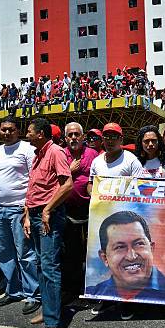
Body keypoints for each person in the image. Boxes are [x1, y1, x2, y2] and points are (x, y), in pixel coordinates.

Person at [0, 117, 40, 315]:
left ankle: (33, 293)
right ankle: (13, 290)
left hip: (19, 208)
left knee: (25, 252)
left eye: (11, 129)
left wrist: (28, 209)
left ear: (18, 131)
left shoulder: (27, 149)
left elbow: (34, 179)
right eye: (3, 129)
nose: (6, 133)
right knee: (3, 252)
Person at [23, 118, 73, 328]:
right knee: (42, 265)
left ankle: (53, 323)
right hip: (34, 215)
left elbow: (67, 185)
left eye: (30, 132)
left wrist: (47, 210)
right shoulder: (37, 155)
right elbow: (34, 188)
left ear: (41, 134)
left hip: (48, 217)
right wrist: (27, 216)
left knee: (50, 267)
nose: (27, 135)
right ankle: (48, 308)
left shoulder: (56, 152)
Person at [87, 122, 143, 319]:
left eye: (114, 136)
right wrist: (98, 196)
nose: (110, 140)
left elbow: (140, 188)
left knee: (126, 260)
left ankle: (127, 302)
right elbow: (90, 185)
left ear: (121, 139)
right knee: (106, 260)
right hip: (101, 217)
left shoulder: (131, 160)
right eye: (106, 136)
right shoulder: (97, 161)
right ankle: (107, 298)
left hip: (125, 218)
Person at [86, 211, 165, 302]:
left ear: (151, 249)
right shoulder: (94, 293)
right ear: (104, 258)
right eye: (120, 247)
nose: (131, 256)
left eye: (139, 244)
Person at [61, 122, 98, 301]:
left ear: (83, 137)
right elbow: (53, 180)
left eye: (77, 134)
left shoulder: (93, 154)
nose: (74, 138)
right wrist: (70, 171)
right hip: (68, 211)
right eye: (70, 135)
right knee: (71, 254)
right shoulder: (61, 154)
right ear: (65, 138)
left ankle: (92, 289)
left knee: (91, 252)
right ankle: (73, 291)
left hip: (90, 210)